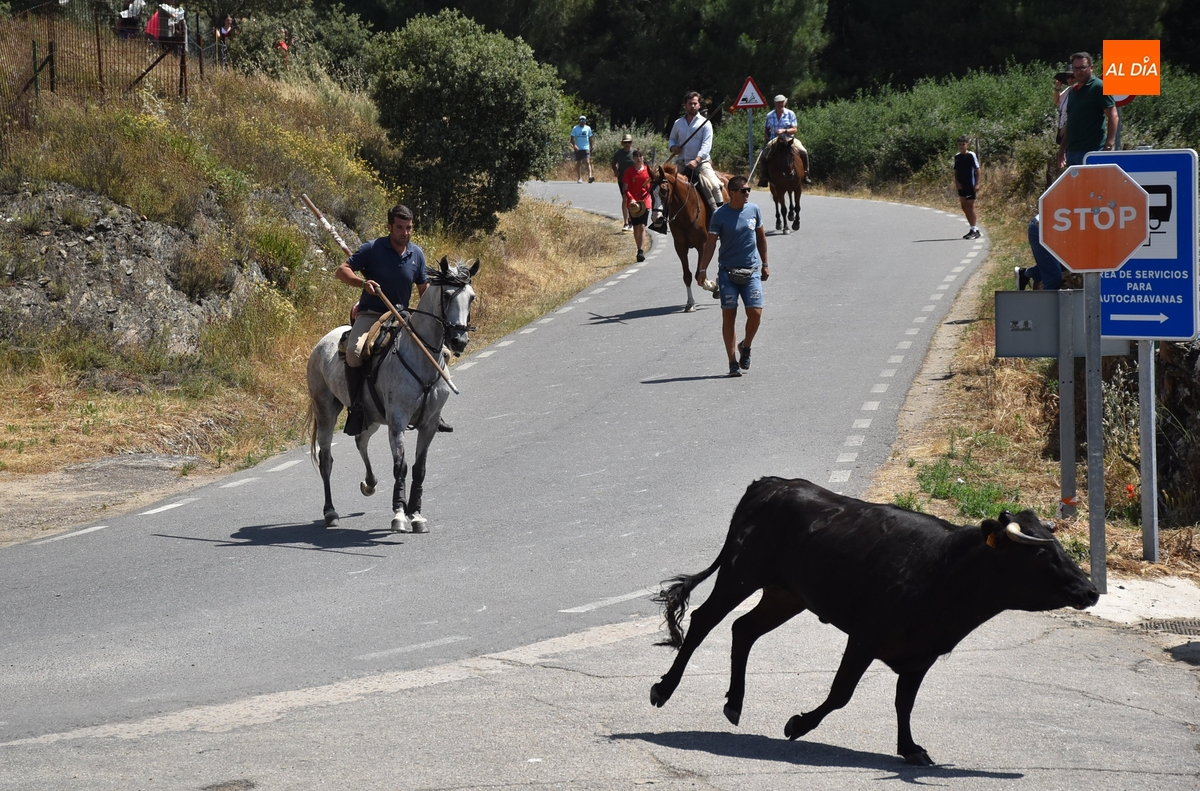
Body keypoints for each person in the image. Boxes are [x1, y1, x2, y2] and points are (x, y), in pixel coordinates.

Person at [335, 204, 429, 436]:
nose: (405, 233)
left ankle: (431, 407)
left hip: (402, 315)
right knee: (354, 352)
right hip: (372, 314)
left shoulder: (416, 254)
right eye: (400, 227)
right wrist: (362, 283)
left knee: (437, 350)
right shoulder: (372, 248)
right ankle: (357, 409)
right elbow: (342, 271)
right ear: (389, 227)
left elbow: (424, 292)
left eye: (409, 228)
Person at [695, 175, 769, 377]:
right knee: (729, 315)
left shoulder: (754, 210)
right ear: (733, 193)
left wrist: (765, 264)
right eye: (744, 190)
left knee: (756, 313)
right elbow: (711, 243)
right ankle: (732, 361)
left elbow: (761, 238)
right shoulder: (719, 215)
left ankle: (746, 345)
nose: (747, 193)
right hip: (728, 272)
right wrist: (702, 269)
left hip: (751, 271)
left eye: (748, 190)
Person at [1056, 51, 1117, 168]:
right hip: (1072, 152)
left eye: (1083, 67)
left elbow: (1113, 116)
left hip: (1092, 152)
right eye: (1076, 68)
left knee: (1094, 181)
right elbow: (1071, 122)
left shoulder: (1099, 86)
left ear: (1091, 68)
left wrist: (1108, 145)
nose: (1079, 71)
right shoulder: (1073, 91)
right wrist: (1062, 149)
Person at [669, 91, 722, 218]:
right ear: (685, 105)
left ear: (699, 105)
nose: (692, 106)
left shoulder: (705, 123)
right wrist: (673, 147)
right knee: (667, 187)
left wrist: (696, 160)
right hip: (682, 163)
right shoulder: (678, 123)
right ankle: (663, 219)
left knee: (715, 185)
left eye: (695, 103)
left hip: (701, 163)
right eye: (690, 103)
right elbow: (672, 139)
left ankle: (720, 216)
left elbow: (706, 145)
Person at [759, 94, 811, 187]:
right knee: (763, 156)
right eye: (778, 103)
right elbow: (766, 129)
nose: (780, 105)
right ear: (775, 104)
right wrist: (767, 138)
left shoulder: (790, 113)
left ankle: (806, 174)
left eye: (781, 103)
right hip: (774, 139)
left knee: (803, 151)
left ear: (785, 103)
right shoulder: (769, 115)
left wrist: (784, 130)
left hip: (789, 138)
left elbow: (794, 129)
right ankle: (764, 177)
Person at [1016, 214, 1064, 291]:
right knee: (1053, 276)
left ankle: (1028, 274)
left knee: (1065, 264)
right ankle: (1046, 299)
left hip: (1057, 231)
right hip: (1041, 228)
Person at [622, 149, 652, 263]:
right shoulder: (629, 171)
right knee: (636, 226)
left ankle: (641, 250)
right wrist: (631, 198)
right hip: (633, 204)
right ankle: (638, 247)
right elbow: (625, 188)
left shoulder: (648, 171)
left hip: (645, 202)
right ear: (633, 158)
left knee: (642, 226)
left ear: (643, 157)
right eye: (636, 156)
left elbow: (652, 186)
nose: (639, 158)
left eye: (640, 156)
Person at [954, 135, 981, 240]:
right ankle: (973, 228)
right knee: (964, 206)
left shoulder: (971, 155)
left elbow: (978, 170)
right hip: (961, 185)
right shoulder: (957, 157)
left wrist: (977, 184)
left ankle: (973, 229)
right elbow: (956, 171)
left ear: (967, 145)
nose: (961, 146)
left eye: (963, 144)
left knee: (970, 206)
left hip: (970, 185)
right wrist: (957, 182)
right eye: (959, 144)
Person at [611, 133, 637, 231]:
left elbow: (641, 163)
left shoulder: (634, 153)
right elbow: (613, 163)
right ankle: (626, 222)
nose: (627, 144)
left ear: (631, 143)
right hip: (622, 179)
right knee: (625, 199)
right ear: (622, 143)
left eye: (629, 142)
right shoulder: (618, 153)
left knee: (632, 200)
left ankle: (631, 221)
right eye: (625, 142)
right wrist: (615, 171)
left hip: (634, 180)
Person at [571, 115, 595, 184]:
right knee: (579, 162)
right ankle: (579, 178)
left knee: (587, 161)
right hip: (578, 148)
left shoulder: (588, 128)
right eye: (581, 120)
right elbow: (572, 138)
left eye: (583, 120)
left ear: (585, 121)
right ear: (579, 121)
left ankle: (590, 176)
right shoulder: (575, 128)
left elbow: (590, 138)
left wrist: (591, 147)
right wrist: (574, 145)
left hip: (586, 147)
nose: (582, 122)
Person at [1053, 70, 1074, 146]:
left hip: (1072, 129)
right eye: (1067, 77)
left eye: (1072, 76)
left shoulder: (1081, 91)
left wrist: (1066, 127)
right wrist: (1057, 89)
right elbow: (1057, 101)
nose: (1070, 79)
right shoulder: (1069, 90)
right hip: (1063, 128)